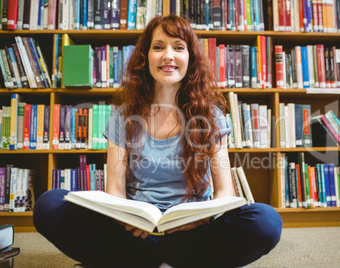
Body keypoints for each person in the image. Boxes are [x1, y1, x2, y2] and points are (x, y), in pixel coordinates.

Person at [33, 15, 282, 268]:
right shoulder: (123, 115)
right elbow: (116, 188)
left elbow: (224, 190)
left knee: (266, 221)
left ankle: (136, 263)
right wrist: (126, 218)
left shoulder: (211, 116)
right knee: (50, 204)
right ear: (145, 57)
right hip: (135, 234)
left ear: (190, 58)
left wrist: (203, 220)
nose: (168, 55)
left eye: (178, 47)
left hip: (192, 234)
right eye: (158, 47)